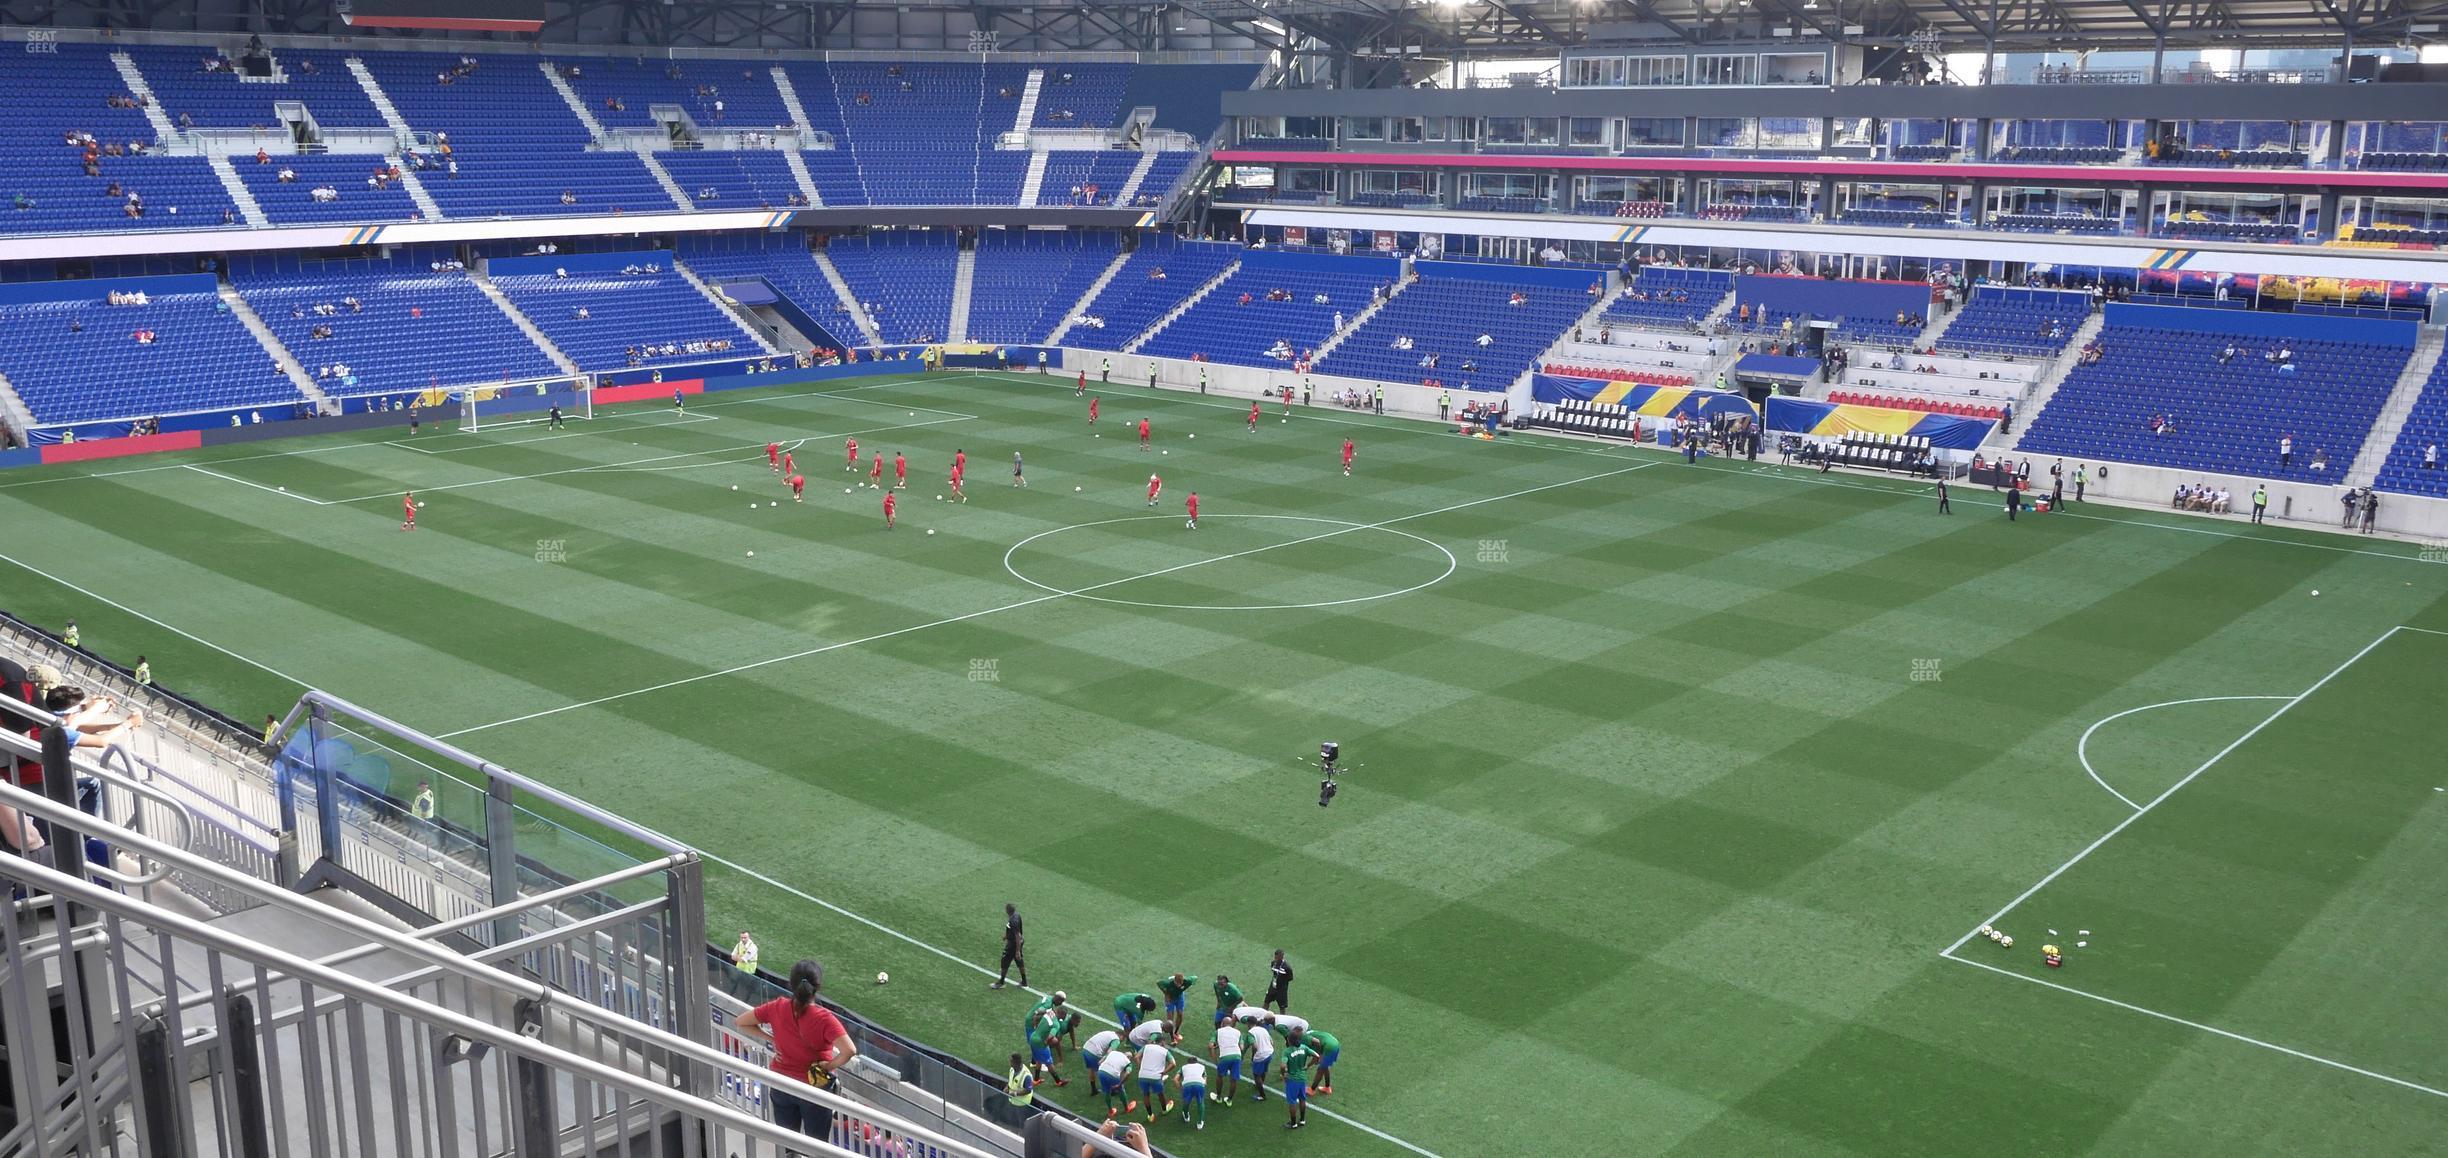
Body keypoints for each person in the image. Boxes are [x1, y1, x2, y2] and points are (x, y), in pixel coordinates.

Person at [731, 960, 856, 1145]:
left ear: (791, 983)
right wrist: (828, 1066)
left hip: (782, 1084)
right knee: (817, 1147)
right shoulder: (825, 1019)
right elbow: (849, 1050)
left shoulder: (777, 1006)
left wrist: (773, 1039)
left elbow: (741, 1022)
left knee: (788, 1145)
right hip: (814, 1089)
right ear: (818, 987)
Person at [1132, 1036, 1177, 1125]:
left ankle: (1150, 1115)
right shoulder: (1165, 1051)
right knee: (1160, 1093)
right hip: (1156, 1076)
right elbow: (1173, 1063)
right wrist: (1164, 1072)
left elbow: (1136, 1057)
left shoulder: (1146, 1047)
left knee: (1146, 1094)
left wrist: (1141, 1068)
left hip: (1143, 1075)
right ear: (1163, 1043)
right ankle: (1164, 1110)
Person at [1279, 1032, 1317, 1129]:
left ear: (1289, 1040)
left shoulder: (1287, 1051)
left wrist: (1284, 1074)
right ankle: (1302, 1120)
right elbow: (1316, 1056)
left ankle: (1293, 1123)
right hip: (1302, 1078)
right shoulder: (1304, 1047)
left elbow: (1283, 1065)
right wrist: (1308, 1066)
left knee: (1292, 1102)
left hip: (1292, 1080)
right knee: (1302, 1099)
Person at [1210, 1017, 1246, 1106]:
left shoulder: (1218, 1032)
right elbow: (1241, 1047)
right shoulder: (1238, 1032)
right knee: (1233, 1079)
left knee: (1220, 1076)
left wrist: (1214, 1059)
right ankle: (1229, 1100)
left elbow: (1210, 1046)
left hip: (1225, 1056)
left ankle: (1218, 1097)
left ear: (1222, 1023)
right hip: (1237, 1056)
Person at [1243, 1014, 1276, 1103]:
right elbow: (1272, 1042)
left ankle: (1262, 1095)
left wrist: (1253, 1057)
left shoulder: (1251, 1033)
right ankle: (1261, 1083)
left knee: (1256, 1075)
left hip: (1261, 1056)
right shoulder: (1263, 1029)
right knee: (1264, 1070)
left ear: (1248, 1024)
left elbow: (1254, 1046)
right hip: (1269, 1053)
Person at [992, 902, 1025, 988]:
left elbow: (1017, 935)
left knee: (1005, 961)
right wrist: (1006, 936)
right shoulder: (1017, 915)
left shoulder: (1012, 920)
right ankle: (1024, 981)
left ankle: (1001, 982)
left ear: (1007, 911)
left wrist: (1017, 951)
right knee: (1019, 961)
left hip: (1013, 944)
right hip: (1017, 942)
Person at [1177, 1055, 1210, 1129]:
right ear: (1196, 1062)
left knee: (1186, 1102)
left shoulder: (1183, 1067)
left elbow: (1176, 1079)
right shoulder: (1202, 1067)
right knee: (1200, 1102)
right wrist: (1203, 1084)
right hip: (1199, 1084)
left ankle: (1186, 1116)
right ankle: (1199, 1123)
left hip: (1187, 1085)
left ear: (1188, 1062)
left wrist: (1180, 1088)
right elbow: (1205, 1078)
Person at [1306, 1028, 1341, 1096]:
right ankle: (1327, 1088)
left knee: (1320, 1070)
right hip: (1335, 1044)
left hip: (1329, 1047)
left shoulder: (1307, 1040)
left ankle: (1312, 1090)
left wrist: (1307, 1066)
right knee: (1325, 1067)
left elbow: (1316, 1057)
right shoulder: (1311, 1033)